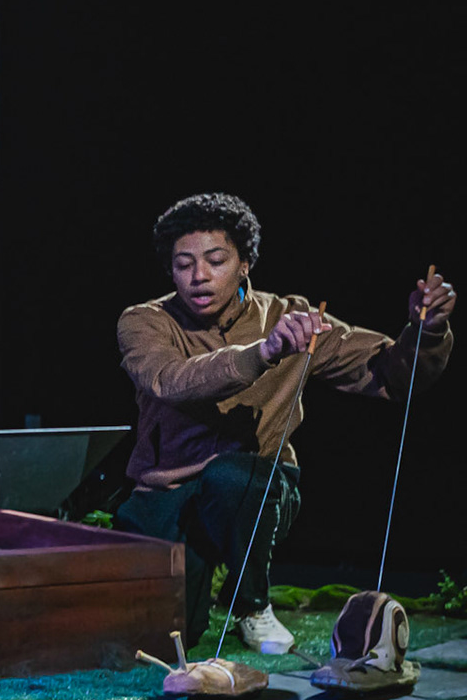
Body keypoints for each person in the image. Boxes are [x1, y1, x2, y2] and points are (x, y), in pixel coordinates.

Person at [115, 193, 452, 654]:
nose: (199, 276)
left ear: (244, 264)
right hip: (168, 492)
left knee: (231, 476)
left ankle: (252, 605)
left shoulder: (288, 317)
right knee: (161, 635)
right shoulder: (144, 321)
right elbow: (169, 380)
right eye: (184, 264)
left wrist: (427, 330)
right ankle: (203, 581)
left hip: (251, 490)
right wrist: (263, 352)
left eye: (216, 260)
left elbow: (391, 374)